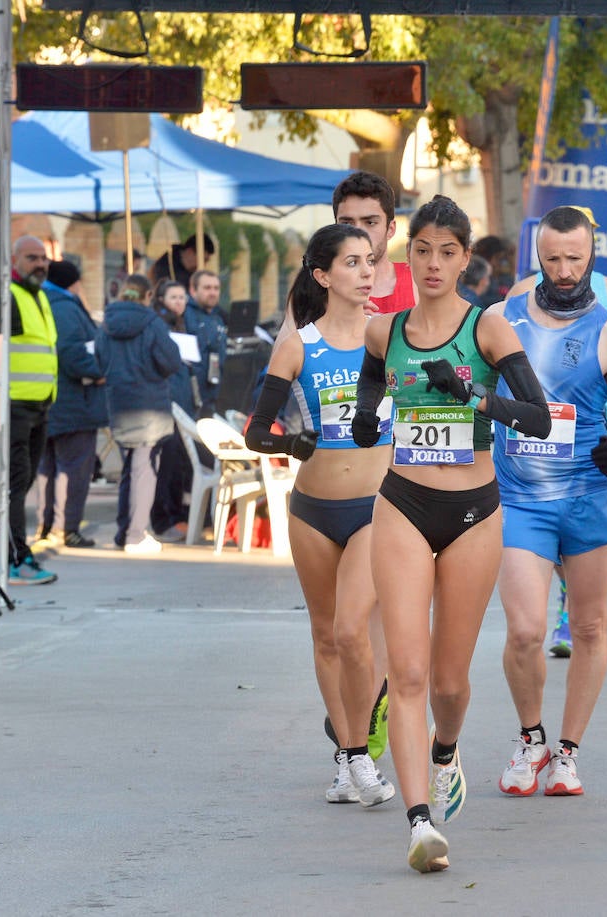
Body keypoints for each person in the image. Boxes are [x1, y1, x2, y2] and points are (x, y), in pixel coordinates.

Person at [351, 195, 552, 873]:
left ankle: (447, 748)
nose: (433, 263)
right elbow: (370, 395)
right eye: (423, 250)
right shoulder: (386, 330)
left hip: (474, 512)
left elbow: (538, 418)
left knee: (448, 680)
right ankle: (419, 821)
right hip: (402, 502)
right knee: (404, 671)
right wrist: (363, 418)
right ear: (408, 255)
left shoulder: (489, 327)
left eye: (447, 252)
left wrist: (469, 395)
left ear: (466, 259)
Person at [491, 204, 607, 804]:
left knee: (587, 625)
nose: (563, 270)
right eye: (553, 258)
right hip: (520, 499)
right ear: (538, 254)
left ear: (592, 256)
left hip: (587, 495)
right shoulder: (502, 318)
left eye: (575, 259)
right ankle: (530, 736)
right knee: (527, 629)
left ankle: (567, 752)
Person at [244, 223, 399, 814]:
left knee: (351, 632)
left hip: (374, 506)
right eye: (353, 263)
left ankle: (358, 749)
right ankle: (347, 761)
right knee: (324, 634)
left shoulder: (388, 337)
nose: (366, 273)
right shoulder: (298, 344)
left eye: (370, 263)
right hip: (310, 510)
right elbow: (259, 429)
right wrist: (294, 443)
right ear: (322, 275)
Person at [0, 236, 59, 584]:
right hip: (12, 406)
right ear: (14, 260)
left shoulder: (38, 296)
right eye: (32, 257)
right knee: (14, 484)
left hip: (37, 405)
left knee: (23, 484)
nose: (40, 263)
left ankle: (18, 555)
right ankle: (14, 558)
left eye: (43, 258)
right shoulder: (5, 296)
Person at [97, 274, 183, 553]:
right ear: (148, 296)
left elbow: (99, 358)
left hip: (119, 402)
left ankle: (124, 532)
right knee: (144, 470)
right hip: (149, 404)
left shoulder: (107, 323)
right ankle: (136, 535)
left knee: (130, 469)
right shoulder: (152, 323)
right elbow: (170, 360)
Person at [36, 259, 106, 550]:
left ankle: (47, 526)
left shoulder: (42, 300)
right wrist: (97, 370)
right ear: (73, 282)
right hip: (72, 402)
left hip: (48, 399)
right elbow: (71, 352)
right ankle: (66, 529)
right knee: (73, 469)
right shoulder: (64, 307)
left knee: (47, 469)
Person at [149, 280, 196, 543]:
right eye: (174, 297)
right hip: (166, 401)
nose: (179, 302)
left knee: (178, 461)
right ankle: (163, 517)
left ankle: (177, 515)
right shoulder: (159, 325)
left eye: (182, 297)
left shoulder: (183, 323)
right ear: (161, 299)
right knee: (165, 463)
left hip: (183, 401)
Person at [334, 170, 417, 314]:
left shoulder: (418, 281)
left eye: (370, 222)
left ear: (390, 229)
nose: (358, 233)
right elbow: (289, 336)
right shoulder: (320, 286)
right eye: (347, 224)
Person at [185, 270, 228, 418]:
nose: (213, 292)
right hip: (191, 397)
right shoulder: (184, 315)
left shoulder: (217, 317)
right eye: (207, 288)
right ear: (193, 290)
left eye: (216, 288)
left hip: (212, 395)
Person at [150, 233, 215, 289]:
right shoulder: (165, 267)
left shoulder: (192, 273)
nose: (203, 265)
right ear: (190, 252)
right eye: (203, 260)